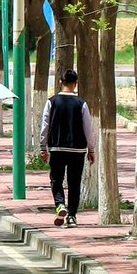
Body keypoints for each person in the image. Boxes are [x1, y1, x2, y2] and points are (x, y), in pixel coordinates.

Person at [39, 68, 96, 227]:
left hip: (57, 148)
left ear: (60, 82)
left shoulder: (52, 102)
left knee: (56, 179)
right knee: (74, 183)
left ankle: (60, 204)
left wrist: (43, 146)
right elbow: (88, 128)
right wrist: (91, 149)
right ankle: (72, 216)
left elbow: (45, 124)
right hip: (77, 150)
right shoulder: (81, 103)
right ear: (76, 83)